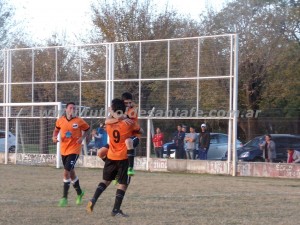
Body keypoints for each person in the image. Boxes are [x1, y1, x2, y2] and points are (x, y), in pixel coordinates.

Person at [86, 98, 141, 217]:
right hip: (123, 157)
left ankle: (93, 199)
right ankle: (115, 210)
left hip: (111, 156)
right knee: (123, 184)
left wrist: (115, 116)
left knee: (105, 181)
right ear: (124, 109)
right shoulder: (129, 124)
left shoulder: (109, 125)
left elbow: (107, 121)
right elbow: (139, 130)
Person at [52, 102, 90, 207]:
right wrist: (54, 137)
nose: (72, 109)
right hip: (64, 150)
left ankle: (64, 198)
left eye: (74, 108)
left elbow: (87, 129)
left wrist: (82, 138)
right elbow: (55, 131)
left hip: (75, 150)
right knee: (71, 173)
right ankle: (80, 193)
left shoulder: (79, 120)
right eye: (70, 108)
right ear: (66, 109)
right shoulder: (60, 120)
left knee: (66, 172)